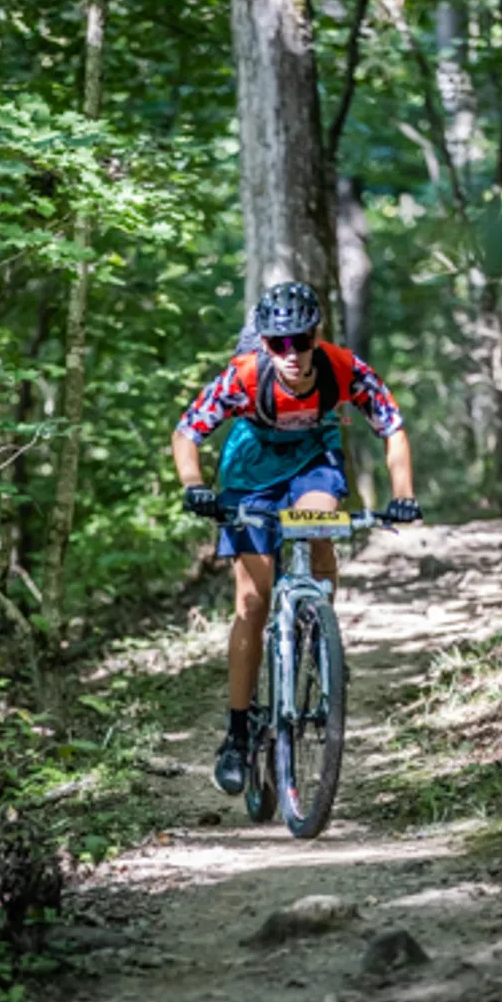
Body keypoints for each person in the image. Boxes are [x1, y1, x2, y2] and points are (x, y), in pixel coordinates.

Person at [171, 280, 421, 796]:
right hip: (250, 469)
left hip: (312, 461)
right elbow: (187, 432)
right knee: (253, 600)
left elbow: (392, 426)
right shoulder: (244, 375)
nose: (290, 353)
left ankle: (318, 632)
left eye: (300, 340)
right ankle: (237, 734)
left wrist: (403, 494)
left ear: (316, 337)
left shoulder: (343, 368)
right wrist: (195, 487)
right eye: (277, 343)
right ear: (263, 343)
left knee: (318, 528)